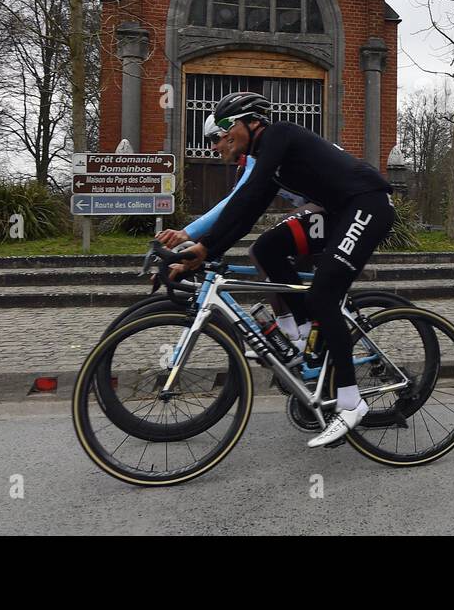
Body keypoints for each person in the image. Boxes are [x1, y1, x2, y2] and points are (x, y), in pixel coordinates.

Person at [169, 91, 395, 447]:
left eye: (227, 127)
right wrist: (206, 252)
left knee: (324, 293)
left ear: (251, 122)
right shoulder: (267, 160)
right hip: (337, 211)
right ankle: (305, 336)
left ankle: (351, 403)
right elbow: (246, 215)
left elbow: (247, 195)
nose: (221, 138)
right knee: (268, 248)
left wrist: (205, 244)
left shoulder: (279, 135)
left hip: (367, 204)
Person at [157, 114, 319, 357]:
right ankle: (299, 337)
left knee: (263, 251)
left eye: (216, 138)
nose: (214, 146)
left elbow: (233, 203)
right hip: (318, 208)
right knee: (273, 266)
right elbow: (238, 216)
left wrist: (187, 234)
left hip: (331, 207)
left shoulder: (258, 156)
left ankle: (295, 333)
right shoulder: (249, 161)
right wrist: (206, 250)